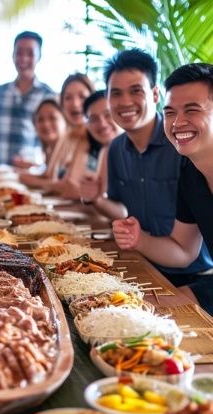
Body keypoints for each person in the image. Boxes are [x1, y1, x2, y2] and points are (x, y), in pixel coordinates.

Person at [81, 49, 213, 292]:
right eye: (116, 94)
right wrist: (98, 202)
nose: (125, 102)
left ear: (154, 95)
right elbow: (121, 210)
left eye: (135, 91)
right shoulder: (117, 150)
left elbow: (187, 253)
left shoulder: (184, 149)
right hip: (144, 264)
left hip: (197, 276)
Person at [113, 63, 213, 314]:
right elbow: (183, 250)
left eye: (192, 110)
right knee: (133, 309)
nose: (178, 123)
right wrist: (139, 239)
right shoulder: (192, 174)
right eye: (170, 113)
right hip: (204, 283)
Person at [0, 31, 53, 166]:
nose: (24, 58)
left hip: (34, 174)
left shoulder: (48, 96)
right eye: (19, 52)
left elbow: (54, 141)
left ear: (39, 56)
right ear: (13, 55)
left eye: (30, 53)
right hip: (1, 173)